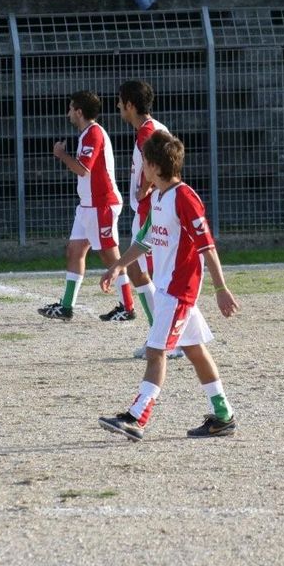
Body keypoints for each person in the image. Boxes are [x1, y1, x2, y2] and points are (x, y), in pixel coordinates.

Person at [98, 130, 239, 442]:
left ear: (153, 166)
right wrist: (118, 265)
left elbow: (208, 247)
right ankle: (223, 415)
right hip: (167, 290)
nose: (141, 170)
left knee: (155, 351)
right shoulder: (158, 198)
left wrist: (221, 289)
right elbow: (143, 241)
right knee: (194, 349)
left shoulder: (185, 198)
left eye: (143, 164)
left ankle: (137, 418)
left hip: (178, 291)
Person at [38, 91, 131, 321]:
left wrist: (61, 154)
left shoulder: (93, 133)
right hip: (88, 206)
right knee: (75, 250)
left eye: (71, 108)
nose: (68, 113)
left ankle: (128, 307)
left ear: (79, 112)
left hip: (101, 205)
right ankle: (66, 307)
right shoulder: (87, 134)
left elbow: (82, 169)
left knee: (110, 256)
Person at [115, 80, 181, 361]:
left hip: (151, 207)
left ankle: (168, 339)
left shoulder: (148, 131)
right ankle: (159, 335)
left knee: (157, 274)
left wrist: (145, 189)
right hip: (148, 206)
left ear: (130, 105)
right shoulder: (151, 129)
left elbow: (158, 166)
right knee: (137, 270)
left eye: (120, 102)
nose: (118, 106)